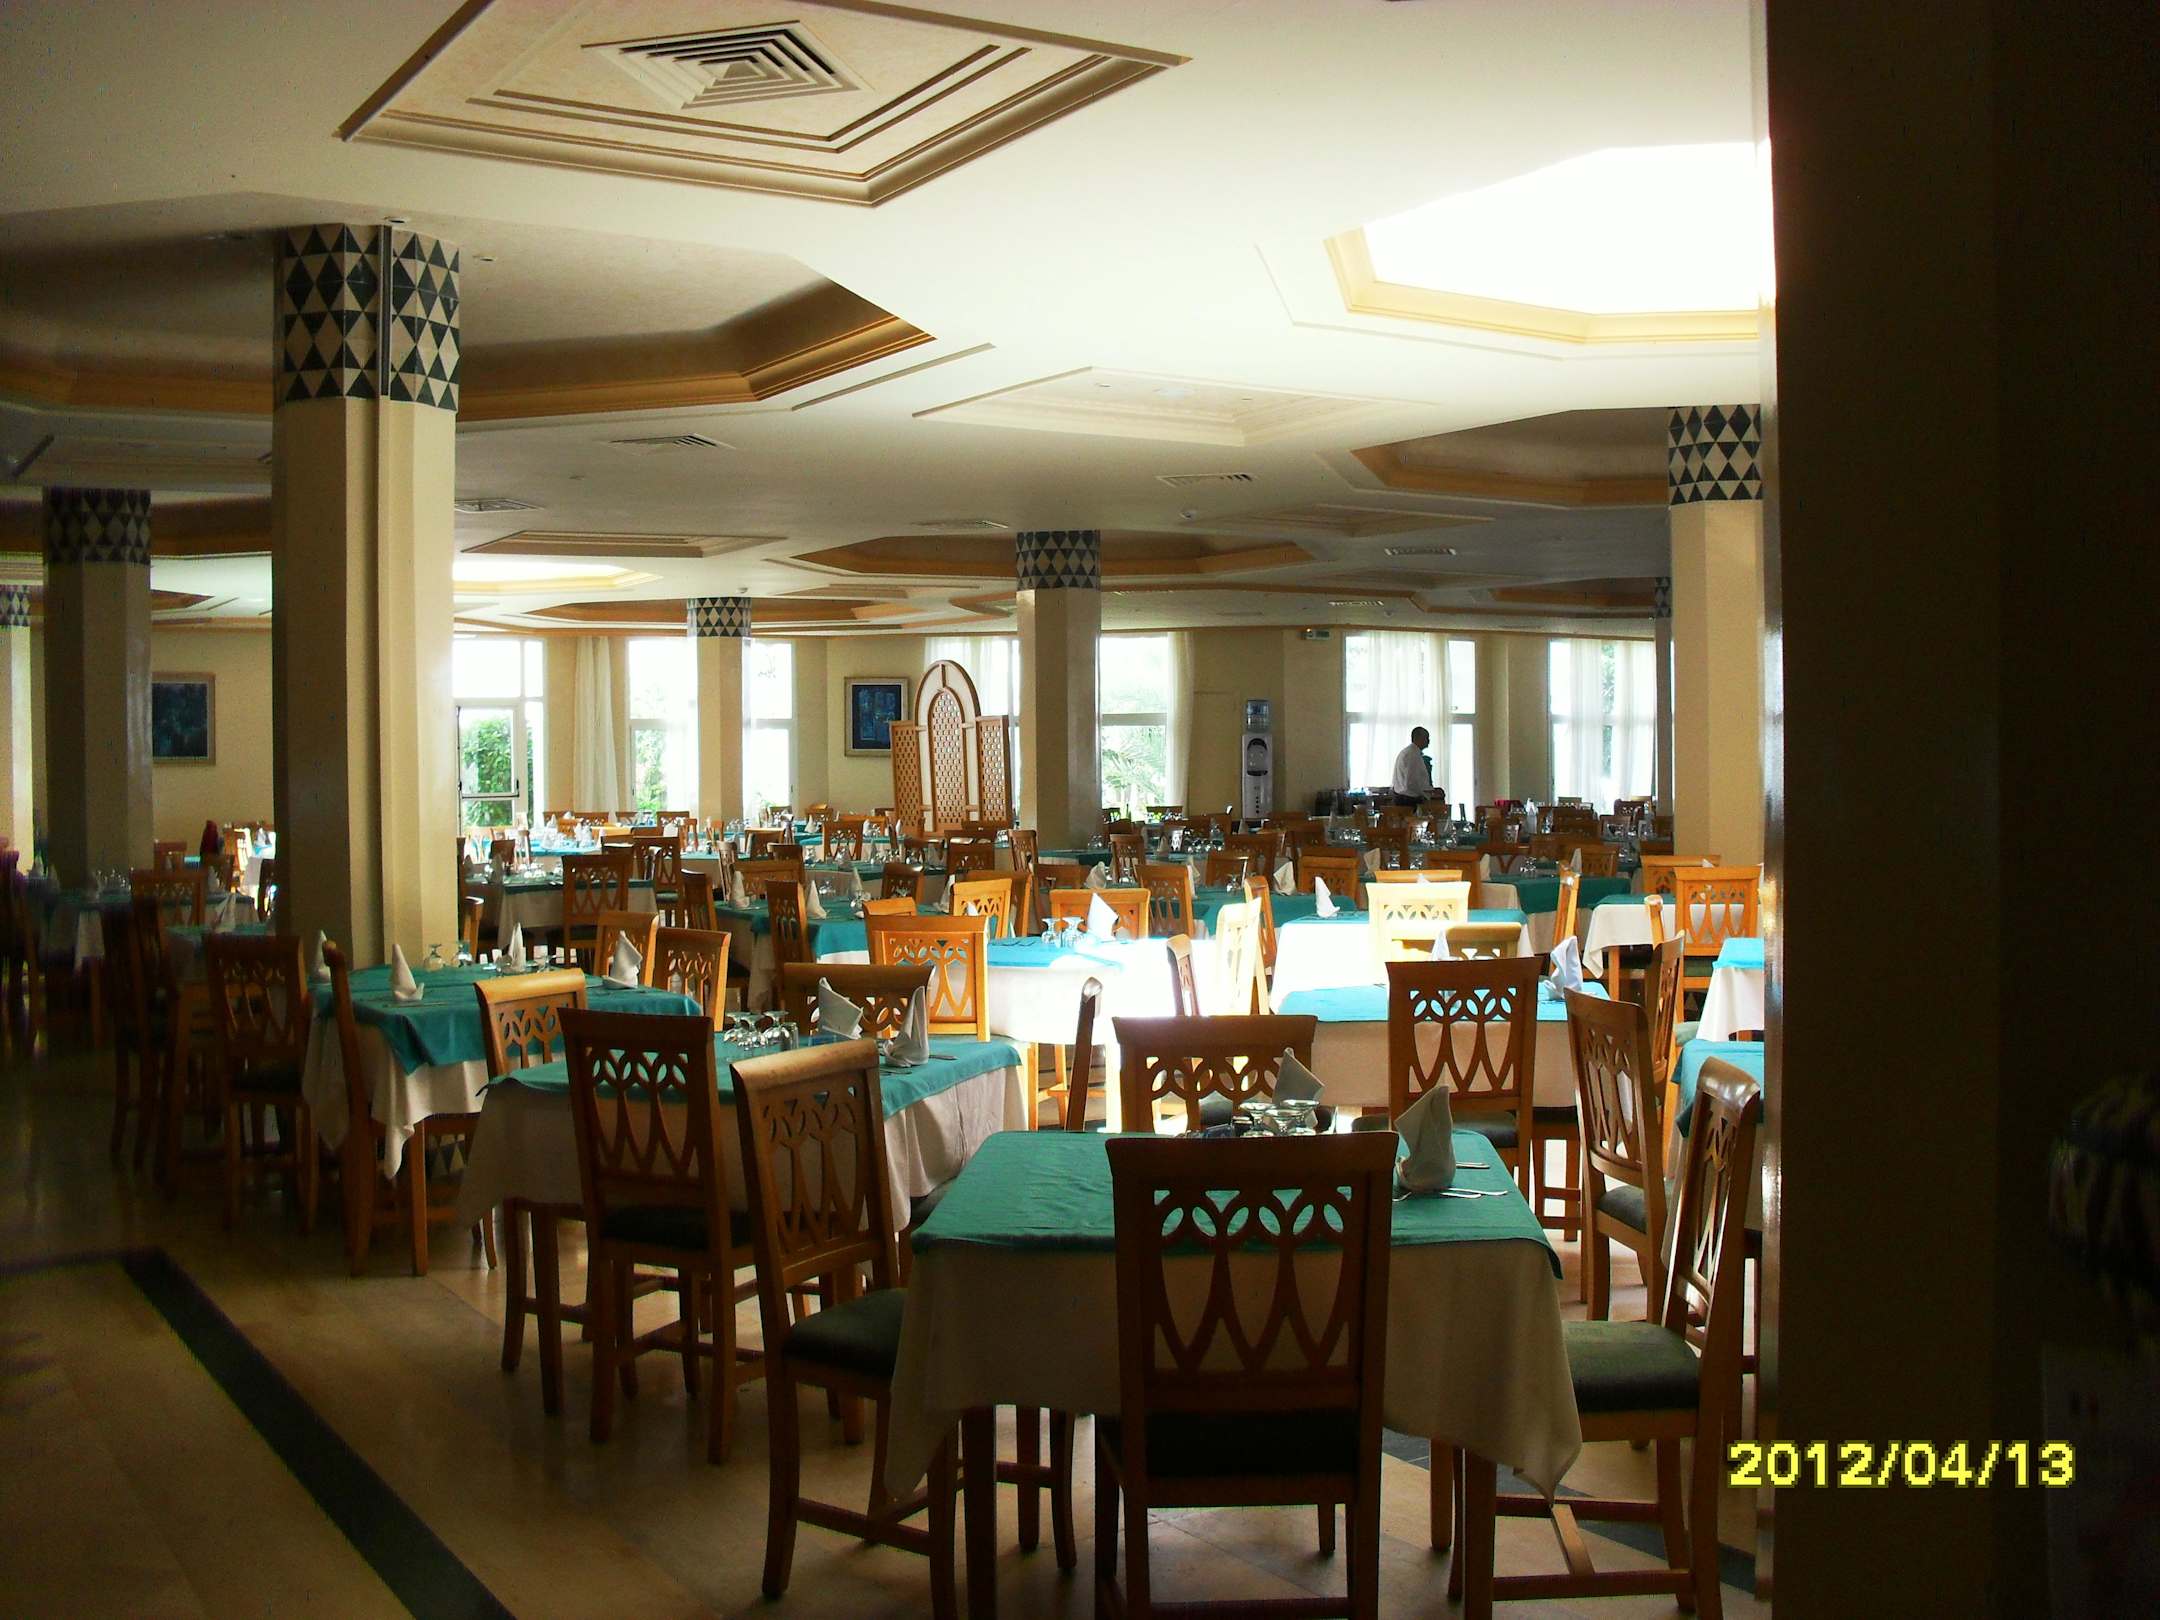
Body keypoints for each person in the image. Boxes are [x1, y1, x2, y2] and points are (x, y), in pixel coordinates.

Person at [1391, 727, 1435, 806]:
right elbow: (1411, 782)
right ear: (1418, 738)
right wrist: (1426, 793)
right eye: (1426, 738)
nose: (1429, 741)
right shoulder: (1412, 755)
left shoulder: (1409, 752)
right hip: (1409, 801)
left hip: (1404, 798)